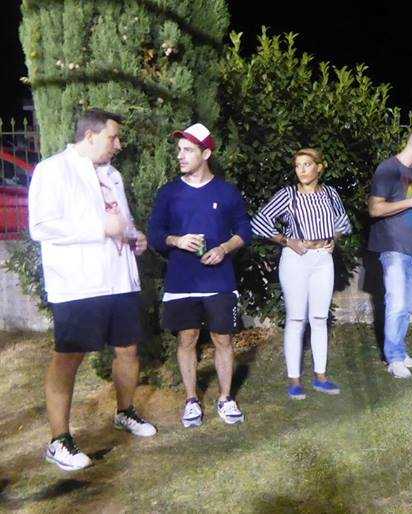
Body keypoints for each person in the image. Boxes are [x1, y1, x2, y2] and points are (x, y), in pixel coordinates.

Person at [29, 109, 156, 471]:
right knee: (68, 357)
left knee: (128, 349)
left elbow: (120, 221)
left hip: (120, 279)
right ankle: (59, 440)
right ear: (90, 136)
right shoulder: (53, 170)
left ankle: (125, 411)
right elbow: (41, 226)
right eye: (113, 137)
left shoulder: (112, 174)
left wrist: (135, 236)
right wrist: (100, 227)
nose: (119, 144)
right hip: (79, 285)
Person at [147, 123, 252, 427]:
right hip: (182, 280)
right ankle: (192, 400)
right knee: (187, 339)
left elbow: (244, 231)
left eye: (188, 150)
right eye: (179, 150)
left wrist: (224, 248)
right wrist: (176, 241)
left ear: (206, 153)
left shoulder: (226, 191)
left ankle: (226, 398)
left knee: (222, 339)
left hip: (219, 279)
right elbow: (155, 234)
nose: (180, 155)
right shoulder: (169, 193)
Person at [251, 148, 352, 399]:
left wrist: (334, 240)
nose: (302, 170)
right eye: (298, 166)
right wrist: (286, 240)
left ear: (320, 167)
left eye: (307, 164)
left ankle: (321, 377)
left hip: (323, 259)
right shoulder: (288, 195)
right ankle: (294, 380)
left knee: (319, 318)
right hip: (296, 259)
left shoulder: (330, 194)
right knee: (296, 319)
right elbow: (259, 222)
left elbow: (342, 222)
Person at [367, 129, 412, 379]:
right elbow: (375, 209)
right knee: (396, 304)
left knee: (407, 306)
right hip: (393, 247)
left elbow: (411, 207)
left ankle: (399, 350)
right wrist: (411, 203)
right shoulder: (387, 169)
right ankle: (394, 359)